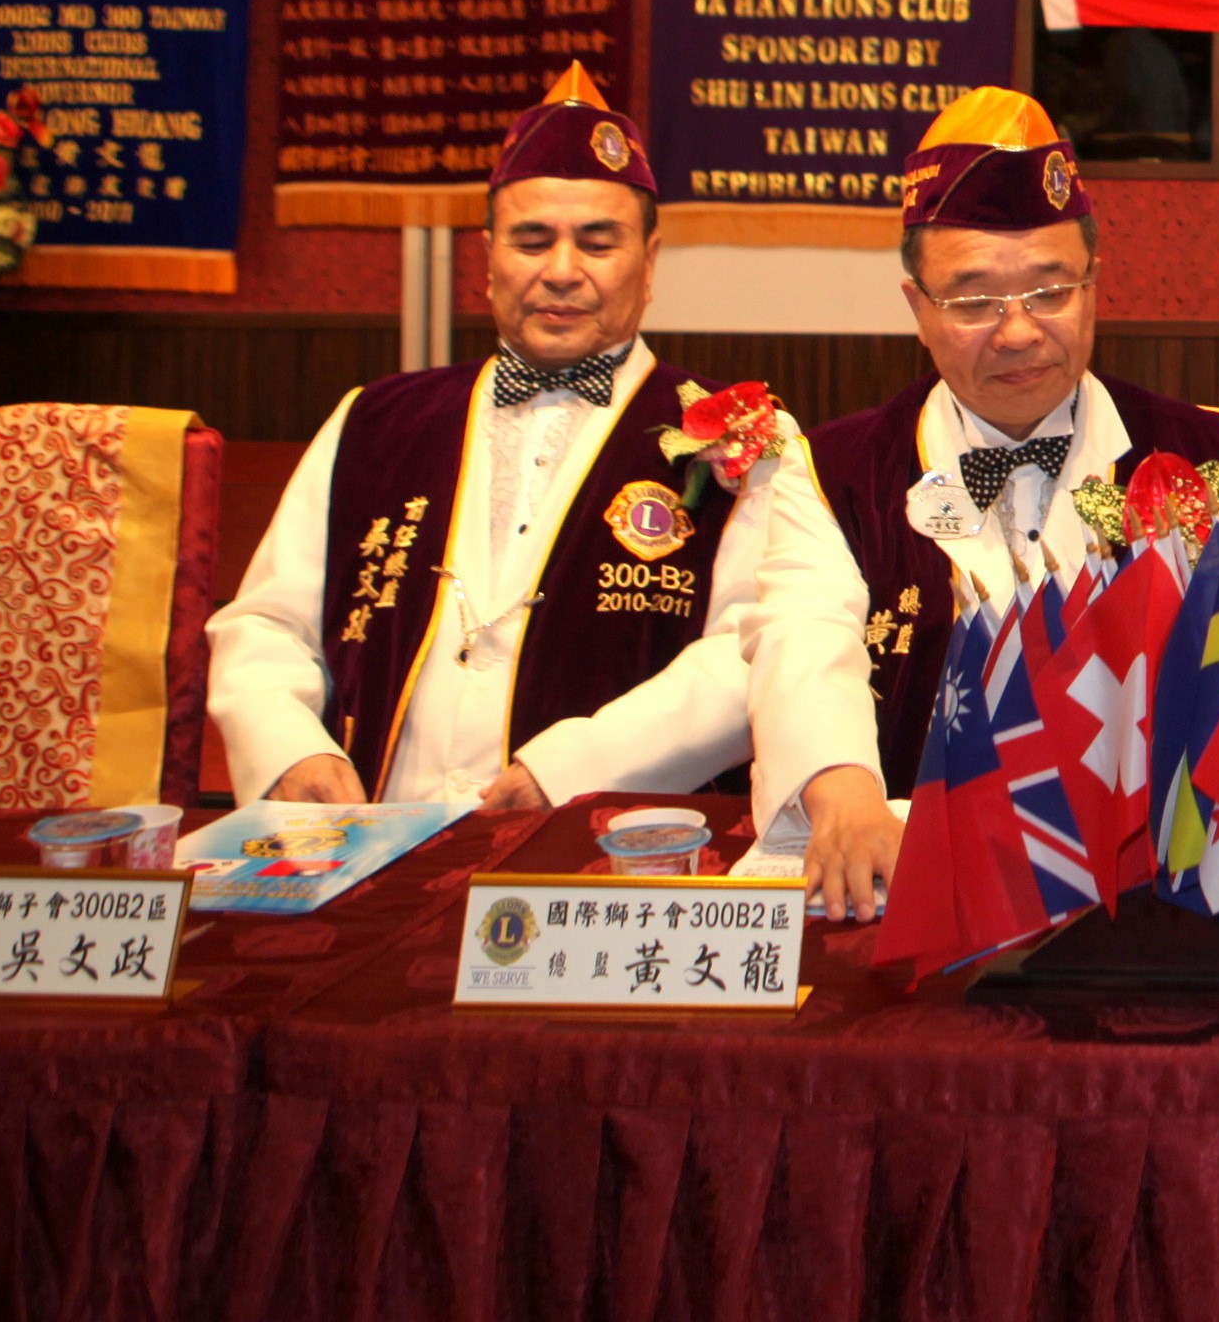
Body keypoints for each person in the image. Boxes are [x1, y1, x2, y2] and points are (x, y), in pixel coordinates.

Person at [207, 66, 899, 912]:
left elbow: (750, 649)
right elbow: (264, 626)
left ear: (649, 263)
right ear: (488, 258)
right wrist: (291, 750)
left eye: (598, 244)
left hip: (609, 865)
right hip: (370, 864)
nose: (563, 271)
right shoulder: (372, 420)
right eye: (532, 241)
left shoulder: (744, 434)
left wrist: (573, 765)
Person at [800, 86, 1219, 793]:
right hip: (913, 843)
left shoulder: (1208, 451)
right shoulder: (832, 473)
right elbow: (805, 658)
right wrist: (841, 791)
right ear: (918, 309)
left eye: (1050, 293)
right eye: (974, 302)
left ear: (1094, 287)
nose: (1017, 333)